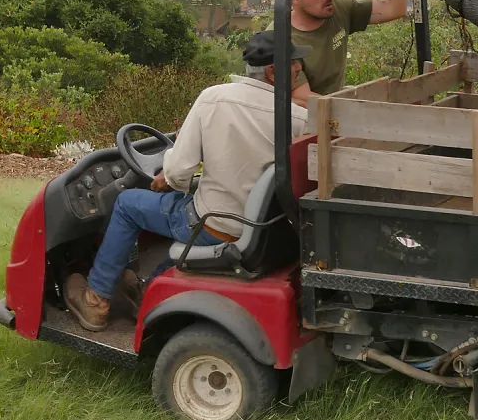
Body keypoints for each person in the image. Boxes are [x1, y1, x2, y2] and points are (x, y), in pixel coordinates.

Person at [64, 31, 310, 330]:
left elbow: (179, 171)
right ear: (273, 71)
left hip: (213, 225)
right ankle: (145, 291)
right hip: (265, 230)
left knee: (128, 203)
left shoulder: (214, 98)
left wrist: (164, 179)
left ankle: (96, 300)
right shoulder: (298, 120)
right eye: (296, 63)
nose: (300, 69)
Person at [281, 0, 409, 105]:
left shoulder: (339, 9)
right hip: (305, 117)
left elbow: (395, 9)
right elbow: (303, 97)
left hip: (335, 105)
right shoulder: (282, 38)